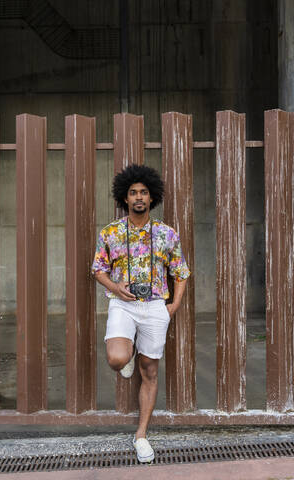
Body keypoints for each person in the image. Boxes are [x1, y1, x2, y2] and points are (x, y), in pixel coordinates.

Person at [92, 164, 191, 463]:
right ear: (124, 197)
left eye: (144, 192)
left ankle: (141, 435)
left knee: (149, 371)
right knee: (117, 358)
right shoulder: (110, 232)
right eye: (133, 192)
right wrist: (115, 286)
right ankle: (128, 351)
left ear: (152, 198)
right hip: (123, 304)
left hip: (155, 308)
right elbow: (97, 269)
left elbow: (181, 272)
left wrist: (172, 306)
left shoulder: (166, 233)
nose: (138, 197)